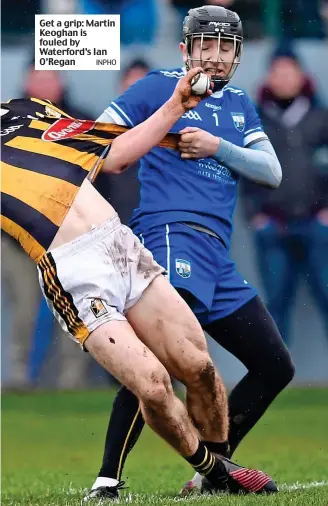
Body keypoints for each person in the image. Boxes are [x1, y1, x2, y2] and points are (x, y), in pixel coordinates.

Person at [0, 68, 276, 500]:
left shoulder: (27, 110)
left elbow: (113, 156)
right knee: (151, 383)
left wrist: (176, 105)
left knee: (200, 369)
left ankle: (216, 473)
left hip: (119, 242)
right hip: (72, 271)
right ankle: (215, 474)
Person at [85, 5, 295, 501]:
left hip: (217, 255)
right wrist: (161, 127)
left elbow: (272, 172)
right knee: (157, 358)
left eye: (227, 47)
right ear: (185, 49)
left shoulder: (241, 102)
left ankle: (213, 469)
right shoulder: (159, 86)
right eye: (207, 45)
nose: (217, 57)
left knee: (274, 366)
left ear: (239, 55)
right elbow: (99, 139)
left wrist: (217, 146)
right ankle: (107, 480)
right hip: (171, 235)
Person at [241, 44, 328, 345]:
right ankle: (278, 380)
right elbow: (244, 172)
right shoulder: (255, 120)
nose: (284, 78)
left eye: (290, 71)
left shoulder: (320, 117)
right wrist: (257, 216)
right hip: (274, 227)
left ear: (302, 75)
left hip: (316, 224)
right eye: (277, 72)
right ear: (269, 78)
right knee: (276, 305)